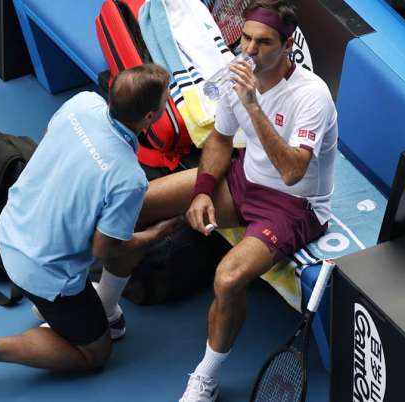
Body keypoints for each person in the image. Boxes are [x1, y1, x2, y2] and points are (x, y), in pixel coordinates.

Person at [103, 1, 338, 400]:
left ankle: (205, 379)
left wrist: (251, 103)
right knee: (133, 203)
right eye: (245, 38)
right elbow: (220, 140)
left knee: (228, 279)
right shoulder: (235, 75)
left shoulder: (312, 96)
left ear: (287, 45)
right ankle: (106, 309)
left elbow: (292, 171)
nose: (248, 50)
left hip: (294, 207)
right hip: (244, 180)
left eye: (263, 43)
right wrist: (202, 191)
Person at [0, 64, 183, 389]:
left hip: (9, 229)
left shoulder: (82, 104)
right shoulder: (128, 179)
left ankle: (66, 311)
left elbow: (51, 146)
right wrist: (159, 232)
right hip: (43, 273)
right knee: (96, 354)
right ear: (150, 117)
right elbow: (105, 250)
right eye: (164, 102)